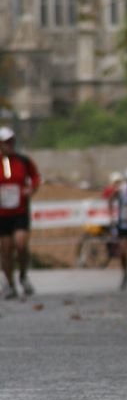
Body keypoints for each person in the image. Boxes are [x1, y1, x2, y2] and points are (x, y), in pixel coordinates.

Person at [0, 126, 41, 298]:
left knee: (21, 245)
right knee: (6, 250)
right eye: (6, 142)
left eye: (11, 141)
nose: (9, 145)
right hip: (2, 214)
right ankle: (9, 284)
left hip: (20, 211)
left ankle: (23, 275)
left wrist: (31, 189)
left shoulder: (23, 161)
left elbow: (36, 177)